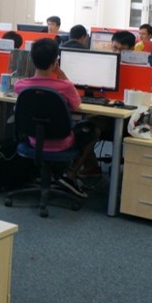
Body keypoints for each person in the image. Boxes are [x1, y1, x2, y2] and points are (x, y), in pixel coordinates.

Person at [14, 38, 97, 198]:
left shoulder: (21, 85)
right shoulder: (66, 86)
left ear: (32, 60)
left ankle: (52, 174)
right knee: (93, 129)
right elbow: (76, 105)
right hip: (62, 142)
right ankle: (70, 174)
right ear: (55, 62)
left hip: (34, 141)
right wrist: (62, 75)